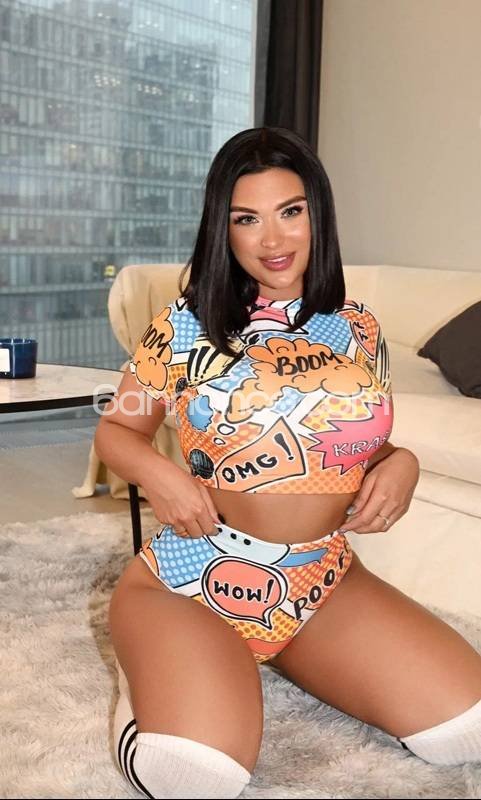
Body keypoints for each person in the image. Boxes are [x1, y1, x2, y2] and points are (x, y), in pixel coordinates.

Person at [94, 126, 481, 799]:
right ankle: (151, 673)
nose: (272, 239)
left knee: (463, 732)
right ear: (223, 229)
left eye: (290, 211)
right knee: (195, 778)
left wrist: (403, 461)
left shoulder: (357, 327)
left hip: (321, 580)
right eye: (246, 218)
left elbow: (351, 442)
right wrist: (162, 475)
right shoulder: (184, 324)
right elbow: (118, 429)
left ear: (316, 215)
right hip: (194, 578)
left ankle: (275, 657)